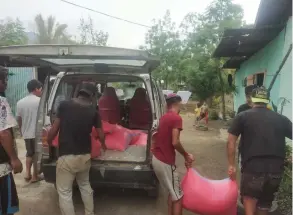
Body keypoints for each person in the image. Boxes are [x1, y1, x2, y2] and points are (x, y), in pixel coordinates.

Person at [227, 86, 292, 215]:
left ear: (252, 99)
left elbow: (231, 141)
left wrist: (231, 165)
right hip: (275, 171)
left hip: (253, 169)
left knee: (249, 199)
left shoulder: (243, 116)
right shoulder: (281, 119)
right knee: (264, 205)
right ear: (268, 100)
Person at [47, 83, 106, 215]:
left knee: (65, 191)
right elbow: (101, 134)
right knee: (85, 186)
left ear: (79, 92)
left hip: (67, 156)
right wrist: (104, 145)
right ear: (91, 96)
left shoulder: (64, 105)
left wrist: (49, 141)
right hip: (85, 156)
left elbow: (54, 129)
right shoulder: (93, 111)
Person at [152, 93, 194, 215]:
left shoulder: (163, 117)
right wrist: (186, 155)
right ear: (177, 104)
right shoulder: (176, 118)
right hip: (165, 162)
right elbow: (175, 142)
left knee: (173, 193)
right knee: (179, 197)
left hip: (157, 159)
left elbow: (155, 137)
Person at [0, 66, 23, 215]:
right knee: (5, 206)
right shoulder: (1, 101)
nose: (7, 83)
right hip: (0, 167)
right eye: (5, 79)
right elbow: (3, 133)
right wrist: (14, 159)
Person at [16, 79, 42, 183]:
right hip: (37, 133)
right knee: (35, 155)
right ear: (36, 89)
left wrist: (21, 130)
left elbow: (19, 119)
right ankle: (35, 176)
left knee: (29, 153)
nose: (41, 91)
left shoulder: (20, 102)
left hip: (26, 132)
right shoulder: (39, 101)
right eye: (40, 89)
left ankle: (27, 174)